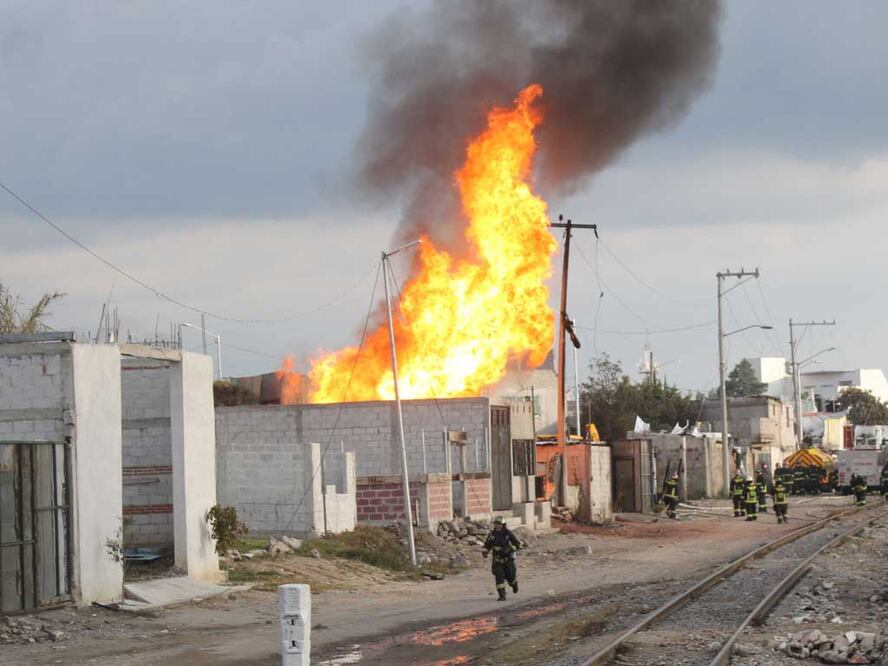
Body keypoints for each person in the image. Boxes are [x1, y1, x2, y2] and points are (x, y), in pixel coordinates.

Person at [482, 516, 521, 601]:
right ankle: (502, 596)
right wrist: (485, 552)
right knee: (499, 577)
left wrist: (510, 549)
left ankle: (514, 584)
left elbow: (517, 544)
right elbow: (487, 545)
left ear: (503, 524)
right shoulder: (492, 534)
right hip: (497, 560)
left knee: (510, 577)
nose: (497, 525)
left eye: (498, 524)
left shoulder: (508, 533)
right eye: (495, 523)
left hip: (508, 560)